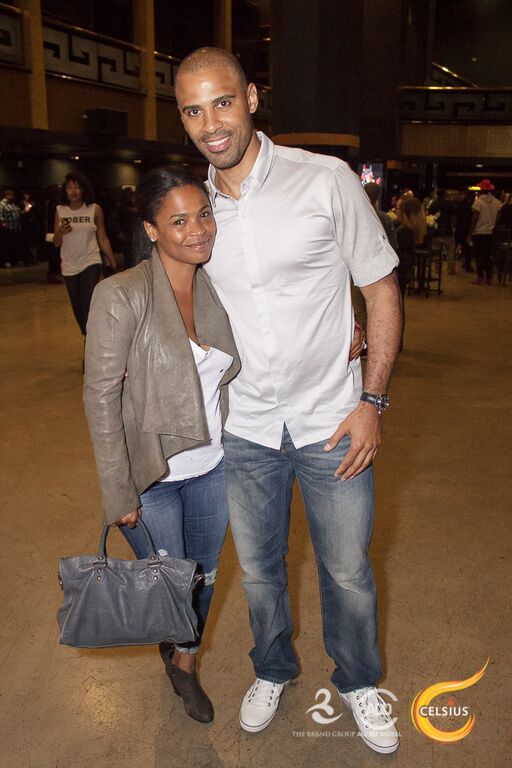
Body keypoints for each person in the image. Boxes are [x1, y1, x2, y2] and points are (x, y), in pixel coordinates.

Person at [175, 47, 402, 754]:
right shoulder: (193, 210)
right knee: (263, 573)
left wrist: (373, 400)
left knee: (347, 571)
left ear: (249, 97)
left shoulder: (325, 179)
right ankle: (272, 668)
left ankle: (360, 681)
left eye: (220, 102)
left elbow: (381, 289)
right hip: (242, 428)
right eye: (191, 109)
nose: (209, 123)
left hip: (332, 418)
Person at [83, 168, 240, 723]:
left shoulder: (218, 286)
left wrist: (350, 328)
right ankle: (176, 647)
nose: (198, 230)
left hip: (214, 465)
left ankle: (185, 661)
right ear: (151, 229)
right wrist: (116, 491)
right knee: (169, 583)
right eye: (178, 220)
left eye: (204, 214)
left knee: (205, 575)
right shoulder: (119, 294)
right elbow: (100, 396)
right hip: (150, 478)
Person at [53, 173, 116, 339]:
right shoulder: (60, 210)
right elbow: (56, 242)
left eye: (77, 187)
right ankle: (87, 335)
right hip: (69, 265)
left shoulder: (94, 209)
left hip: (91, 261)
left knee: (88, 301)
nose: (73, 191)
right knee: (77, 306)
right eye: (69, 187)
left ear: (83, 190)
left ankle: (91, 340)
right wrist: (59, 232)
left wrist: (111, 260)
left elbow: (102, 236)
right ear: (65, 191)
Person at [395, 197, 426, 349]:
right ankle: (398, 341)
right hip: (405, 270)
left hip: (400, 271)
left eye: (400, 209)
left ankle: (396, 341)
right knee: (400, 306)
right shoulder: (412, 230)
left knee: (397, 307)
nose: (396, 211)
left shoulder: (404, 231)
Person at [468, 179, 502, 285]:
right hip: (491, 232)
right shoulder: (497, 202)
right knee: (488, 255)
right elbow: (499, 217)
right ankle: (489, 278)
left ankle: (480, 277)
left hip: (479, 232)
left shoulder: (478, 202)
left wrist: (470, 233)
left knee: (479, 255)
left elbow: (474, 218)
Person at [108, 186, 138, 268]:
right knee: (130, 261)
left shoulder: (136, 206)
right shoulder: (120, 207)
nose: (133, 198)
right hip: (127, 238)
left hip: (137, 237)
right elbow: (113, 222)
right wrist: (120, 233)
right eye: (131, 195)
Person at [429, 188, 456, 274]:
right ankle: (450, 268)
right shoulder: (449, 203)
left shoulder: (434, 203)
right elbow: (453, 216)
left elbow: (430, 216)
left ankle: (437, 268)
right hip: (447, 229)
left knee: (436, 250)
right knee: (450, 250)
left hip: (436, 230)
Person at [0, 188, 23, 268]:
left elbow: (18, 213)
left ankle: (14, 260)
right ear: (7, 195)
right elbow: (0, 216)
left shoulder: (13, 204)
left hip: (15, 228)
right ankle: (6, 261)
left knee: (14, 245)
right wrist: (3, 224)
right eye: (11, 195)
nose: (13, 197)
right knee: (6, 246)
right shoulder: (2, 204)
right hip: (7, 229)